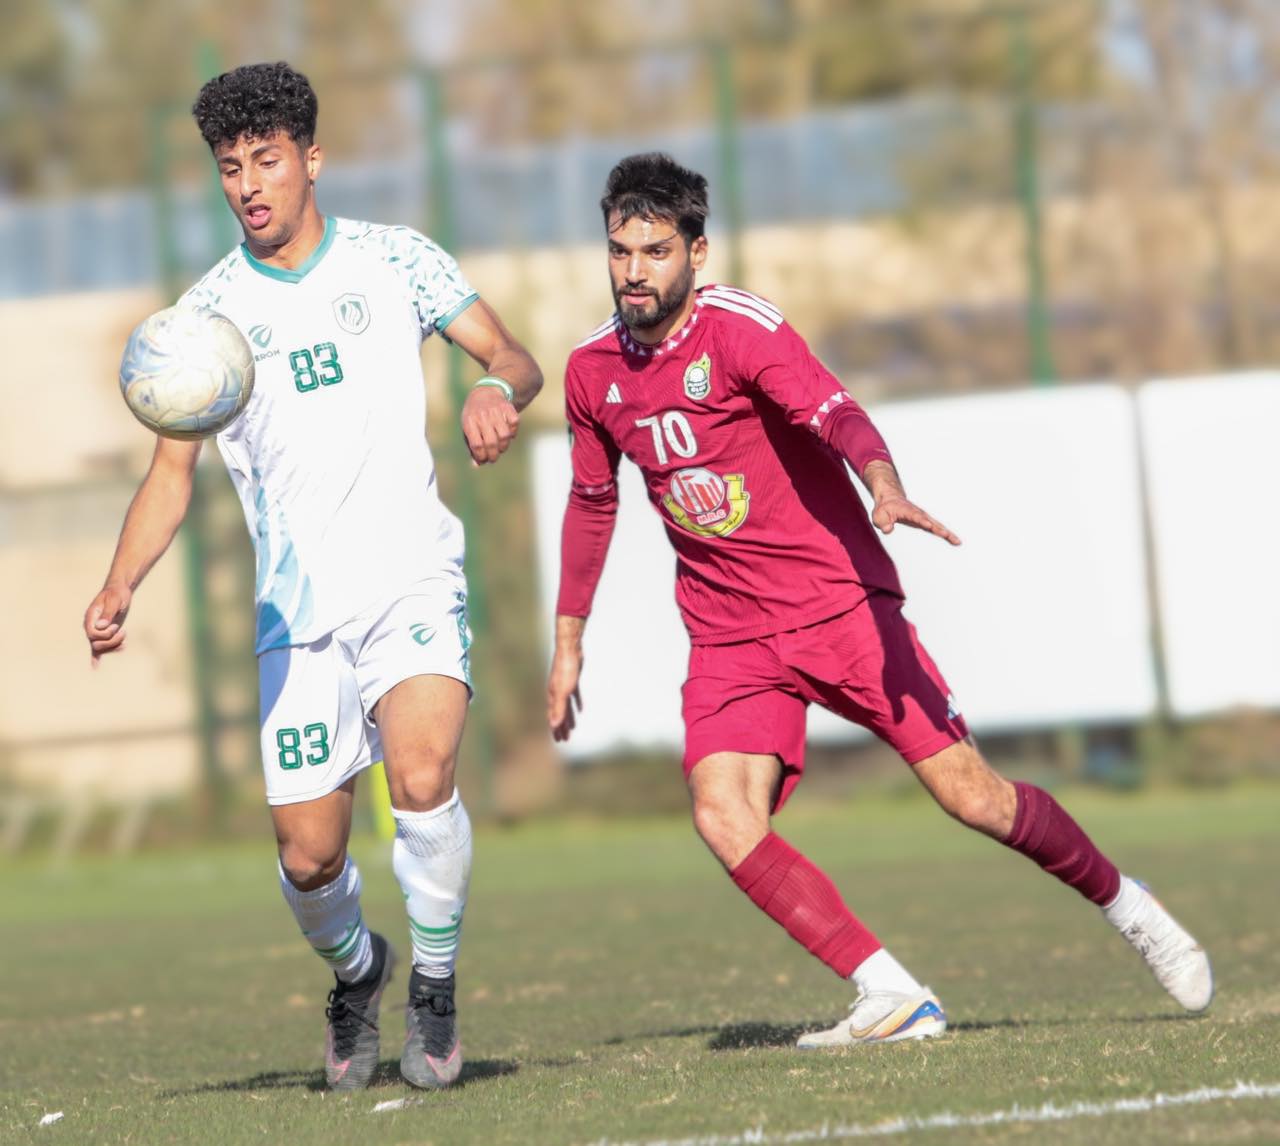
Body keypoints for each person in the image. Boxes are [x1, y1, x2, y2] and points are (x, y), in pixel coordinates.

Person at [546, 152, 1211, 1047]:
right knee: (722, 812)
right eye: (620, 251)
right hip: (730, 634)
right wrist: (569, 642)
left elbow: (837, 415)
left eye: (655, 251)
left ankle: (1128, 905)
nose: (634, 272)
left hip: (838, 606)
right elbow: (592, 503)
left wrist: (883, 486)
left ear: (697, 253)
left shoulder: (743, 331)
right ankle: (890, 993)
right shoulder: (591, 371)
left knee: (974, 798)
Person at [83, 62, 542, 1090]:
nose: (248, 185)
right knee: (309, 858)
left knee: (421, 778)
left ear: (312, 158)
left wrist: (494, 392)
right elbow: (169, 478)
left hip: (410, 576)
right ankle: (358, 971)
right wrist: (119, 586)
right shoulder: (204, 325)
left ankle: (433, 986)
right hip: (297, 613)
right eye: (229, 167)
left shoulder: (396, 259)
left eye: (267, 160)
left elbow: (514, 355)